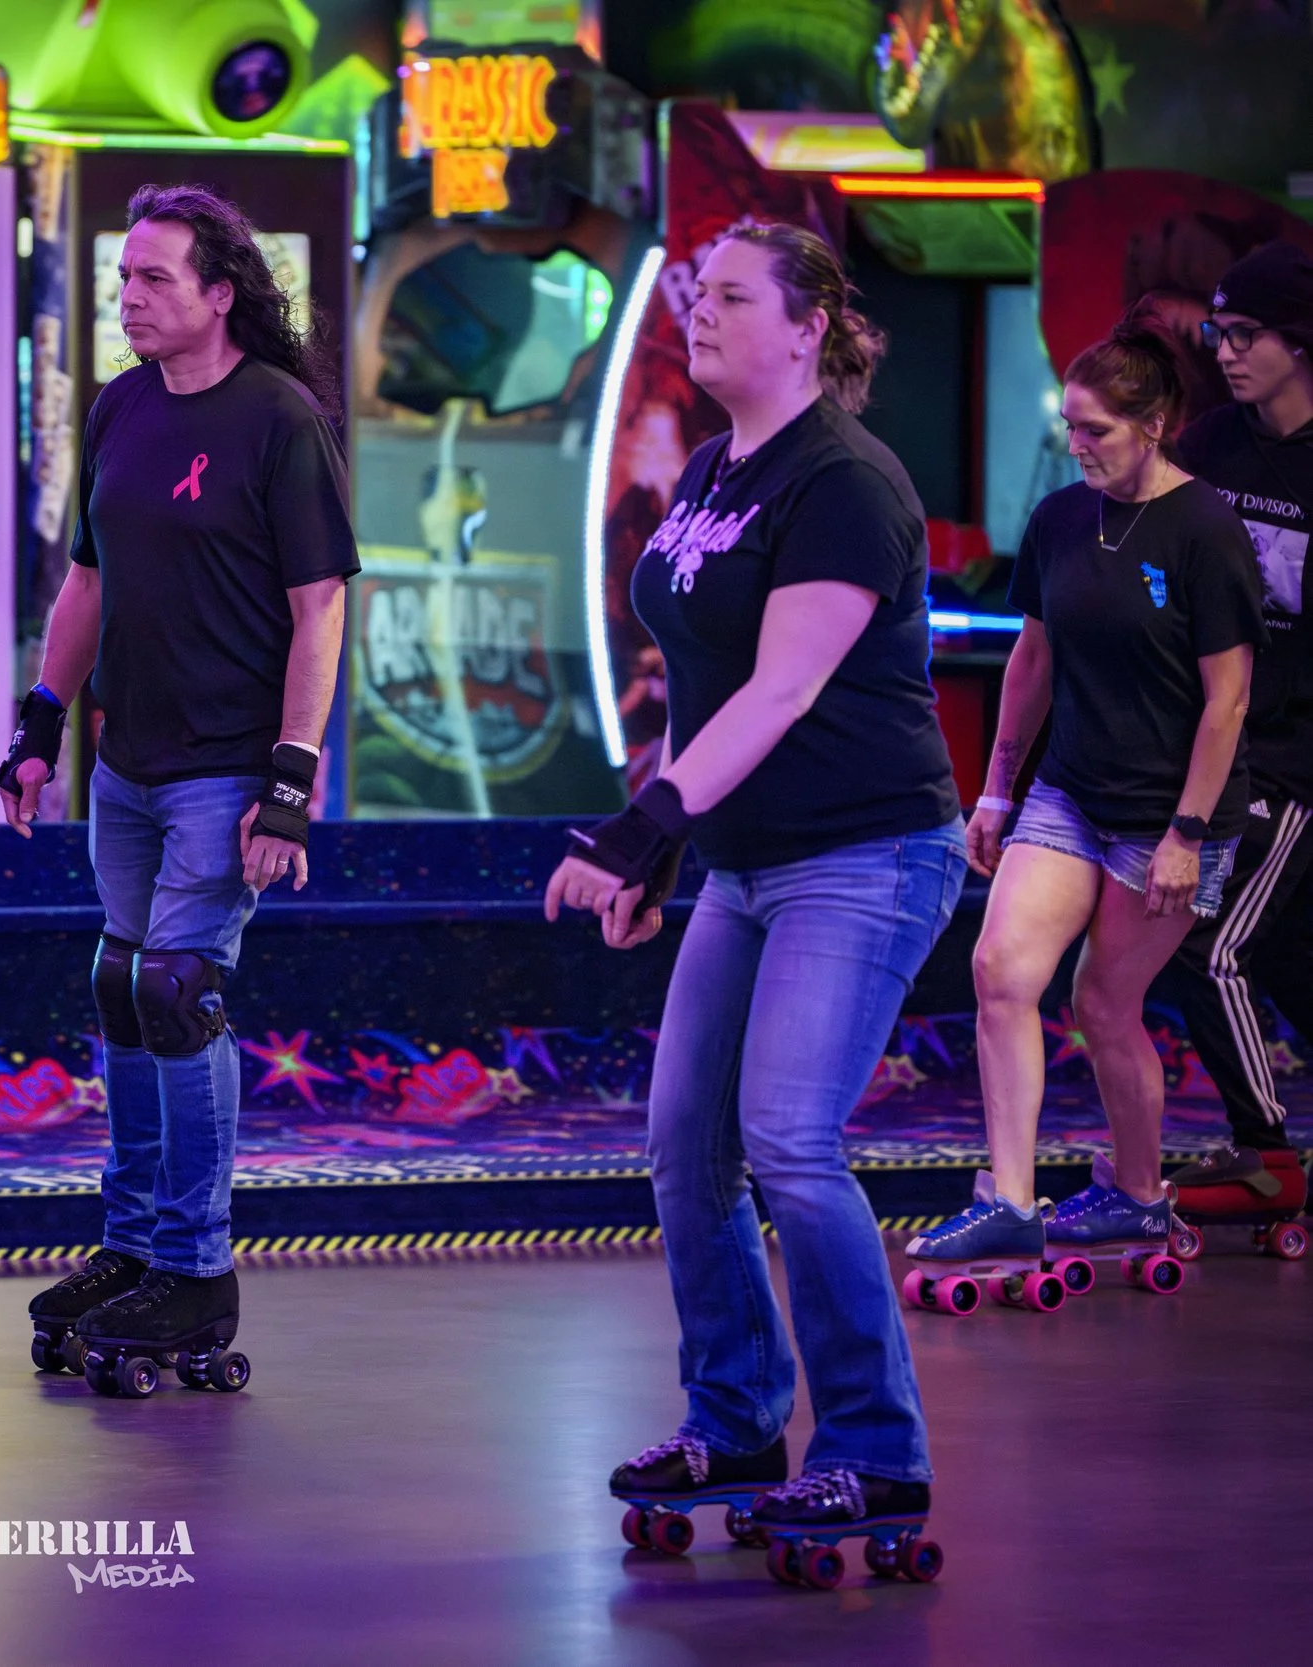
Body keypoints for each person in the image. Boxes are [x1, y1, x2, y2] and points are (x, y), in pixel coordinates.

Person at [548, 220, 966, 1537]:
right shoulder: (718, 470)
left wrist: (642, 823)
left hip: (866, 848)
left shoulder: (843, 478)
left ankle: (876, 1447)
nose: (700, 312)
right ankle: (734, 1421)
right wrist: (662, 843)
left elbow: (783, 688)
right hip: (743, 859)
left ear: (807, 326)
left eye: (730, 295)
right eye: (695, 293)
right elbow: (701, 685)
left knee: (789, 1136)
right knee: (686, 1143)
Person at [0, 183, 356, 1388]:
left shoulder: (276, 420)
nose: (129, 298)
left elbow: (321, 611)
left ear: (219, 292)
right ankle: (136, 1243)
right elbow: (86, 584)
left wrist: (293, 778)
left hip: (225, 768)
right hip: (126, 761)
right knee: (121, 988)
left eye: (154, 278)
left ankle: (195, 1270)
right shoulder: (120, 409)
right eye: (123, 278)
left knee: (180, 990)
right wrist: (40, 727)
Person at [914, 318, 1260, 1269]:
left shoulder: (1205, 530)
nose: (1077, 446)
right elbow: (1033, 658)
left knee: (1105, 1001)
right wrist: (994, 794)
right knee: (1001, 973)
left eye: (1097, 429)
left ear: (1154, 425)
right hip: (1070, 793)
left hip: (1172, 816)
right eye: (1069, 425)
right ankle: (1012, 1200)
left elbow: (1227, 703)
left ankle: (1140, 1196)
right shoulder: (1064, 517)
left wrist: (1188, 831)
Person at [1157, 243, 1313, 1225]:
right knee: (1284, 955)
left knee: (1205, 946)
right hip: (1214, 748)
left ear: (1300, 341)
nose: (1224, 349)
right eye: (1216, 330)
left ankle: (1264, 1150)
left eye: (1244, 331)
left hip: (1295, 762)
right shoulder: (1213, 441)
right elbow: (1159, 567)